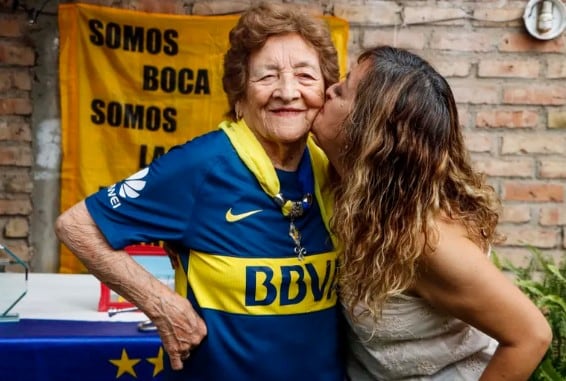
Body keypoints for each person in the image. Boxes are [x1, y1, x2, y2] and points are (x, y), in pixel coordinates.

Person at [55, 3, 344, 380]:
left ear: (325, 92)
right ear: (239, 95)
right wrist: (160, 304)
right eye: (267, 76)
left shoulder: (333, 166)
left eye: (305, 76)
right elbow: (76, 226)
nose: (287, 92)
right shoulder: (203, 166)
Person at [311, 45, 552, 380]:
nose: (328, 90)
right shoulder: (355, 192)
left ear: (368, 132)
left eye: (344, 90)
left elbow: (532, 335)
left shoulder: (427, 239)